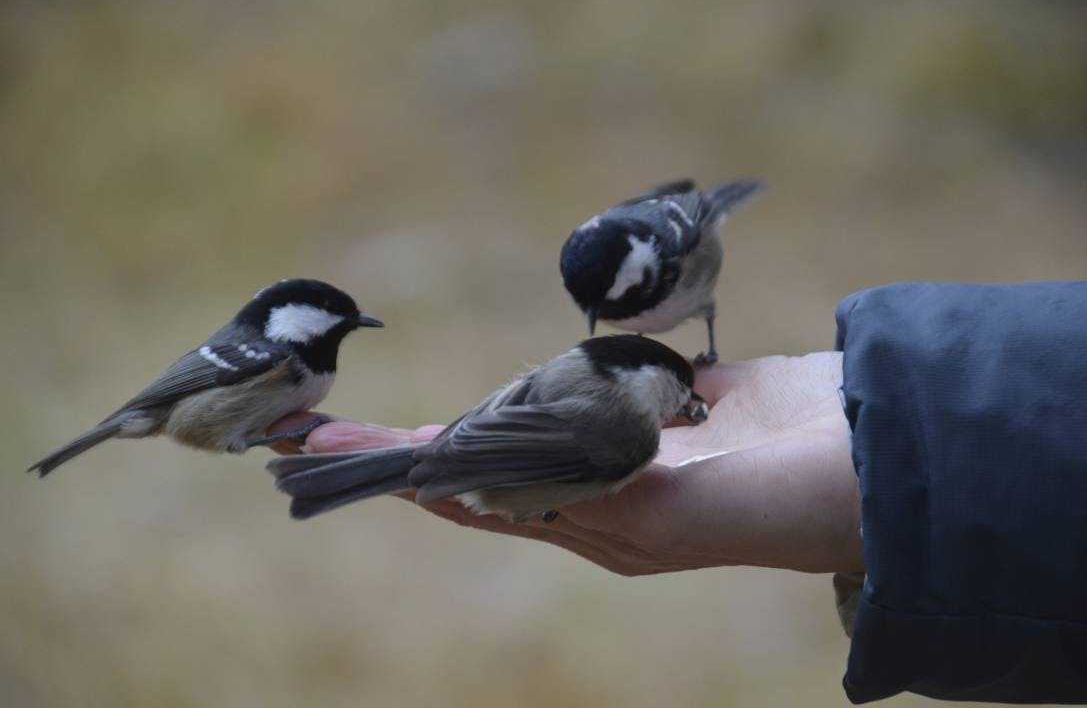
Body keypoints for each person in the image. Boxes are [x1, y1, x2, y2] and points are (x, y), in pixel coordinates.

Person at [271, 282, 1087, 704]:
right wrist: (463, 466)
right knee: (427, 463)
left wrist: (451, 450)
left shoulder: (578, 379)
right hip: (489, 457)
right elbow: (515, 450)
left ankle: (352, 472)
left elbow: (492, 422)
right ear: (644, 379)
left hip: (471, 438)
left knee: (417, 459)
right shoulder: (631, 434)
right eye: (679, 387)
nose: (687, 403)